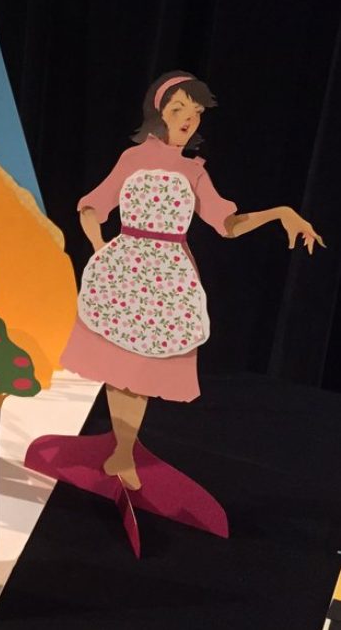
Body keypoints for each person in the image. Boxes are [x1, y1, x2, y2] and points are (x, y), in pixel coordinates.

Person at [60, 71, 324, 490]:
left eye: (196, 111)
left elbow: (227, 224)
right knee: (119, 363)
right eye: (179, 107)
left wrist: (281, 213)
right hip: (126, 265)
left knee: (143, 367)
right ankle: (120, 449)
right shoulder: (133, 159)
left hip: (168, 276)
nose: (188, 118)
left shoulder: (194, 172)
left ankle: (123, 451)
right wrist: (99, 248)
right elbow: (93, 206)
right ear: (159, 111)